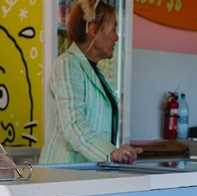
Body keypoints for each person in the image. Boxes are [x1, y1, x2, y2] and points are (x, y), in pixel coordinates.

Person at [40, 0, 141, 165]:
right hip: (62, 176)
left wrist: (118, 152)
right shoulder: (67, 65)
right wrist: (111, 153)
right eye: (113, 29)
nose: (116, 37)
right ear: (93, 30)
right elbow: (74, 125)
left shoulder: (93, 71)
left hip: (86, 174)